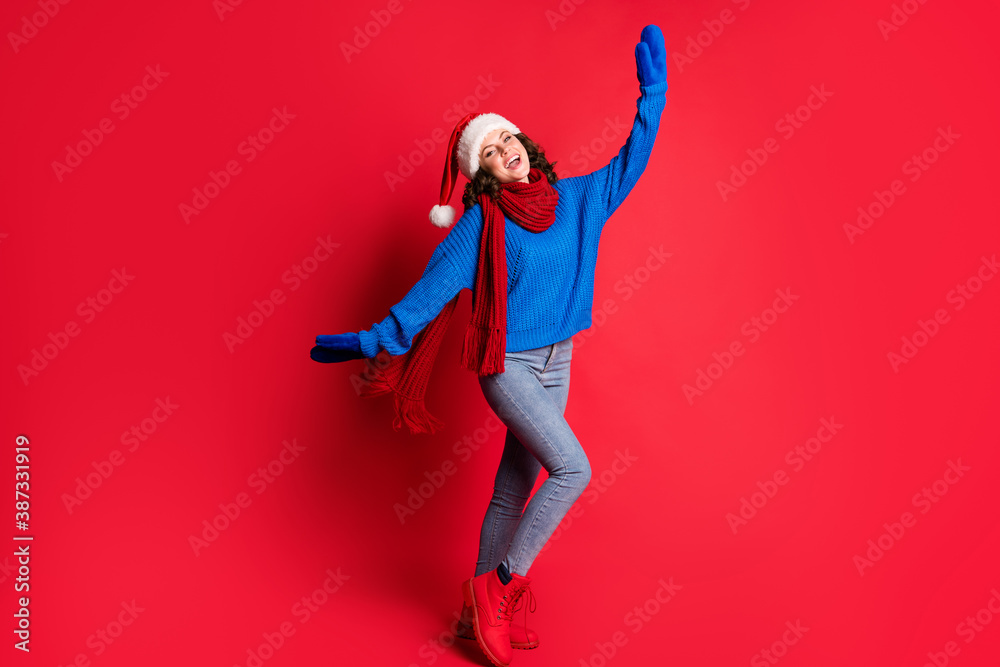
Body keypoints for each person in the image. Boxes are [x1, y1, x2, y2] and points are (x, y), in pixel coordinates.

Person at [311, 24, 667, 667]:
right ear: (484, 176)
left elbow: (631, 160)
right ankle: (499, 586)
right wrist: (379, 338)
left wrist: (653, 96)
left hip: (558, 361)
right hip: (508, 369)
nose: (507, 147)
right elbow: (433, 287)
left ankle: (469, 621)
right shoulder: (482, 224)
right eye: (492, 150)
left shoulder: (578, 199)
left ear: (525, 146)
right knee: (574, 469)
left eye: (510, 136)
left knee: (512, 490)